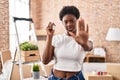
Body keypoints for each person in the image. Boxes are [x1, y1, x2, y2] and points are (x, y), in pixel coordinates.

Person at [42, 5, 93, 80]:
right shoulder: (56, 39)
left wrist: (83, 43)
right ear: (62, 23)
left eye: (72, 21)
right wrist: (49, 37)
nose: (69, 24)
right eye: (66, 22)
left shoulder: (84, 39)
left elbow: (89, 47)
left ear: (77, 20)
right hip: (55, 78)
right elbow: (45, 61)